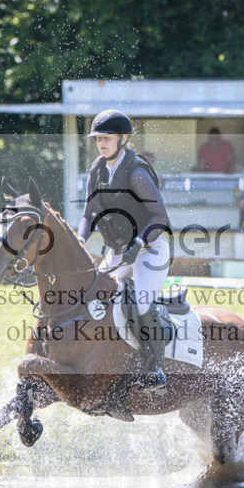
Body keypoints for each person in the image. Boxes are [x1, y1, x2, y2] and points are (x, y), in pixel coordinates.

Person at [76, 109, 172, 392]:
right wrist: (80, 240)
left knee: (141, 303)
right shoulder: (97, 170)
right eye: (98, 139)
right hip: (118, 250)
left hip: (150, 248)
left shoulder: (137, 172)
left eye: (106, 139)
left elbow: (160, 218)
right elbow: (87, 214)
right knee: (93, 298)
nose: (101, 144)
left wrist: (139, 243)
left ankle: (156, 368)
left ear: (123, 139)